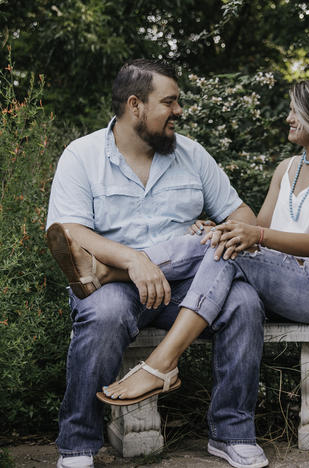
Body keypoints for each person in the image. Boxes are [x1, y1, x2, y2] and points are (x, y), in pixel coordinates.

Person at [78, 78, 309, 419]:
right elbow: (258, 231)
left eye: (296, 110)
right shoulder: (287, 169)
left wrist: (252, 237)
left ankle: (128, 302)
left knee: (229, 249)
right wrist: (221, 230)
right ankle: (141, 324)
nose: (288, 117)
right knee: (221, 243)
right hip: (287, 282)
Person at [45, 59, 268, 468]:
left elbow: (245, 219)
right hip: (115, 287)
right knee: (103, 311)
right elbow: (72, 232)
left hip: (185, 288)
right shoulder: (82, 156)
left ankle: (231, 433)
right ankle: (77, 445)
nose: (179, 111)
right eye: (170, 102)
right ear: (136, 105)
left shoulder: (192, 155)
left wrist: (216, 231)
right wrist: (133, 260)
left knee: (243, 302)